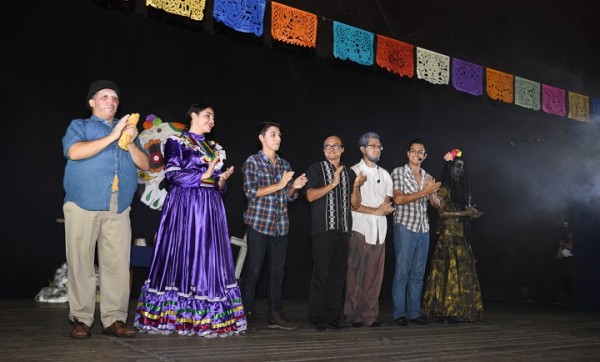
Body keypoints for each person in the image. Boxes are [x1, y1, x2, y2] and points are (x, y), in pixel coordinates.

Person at [134, 103, 247, 337]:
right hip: (185, 205)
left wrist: (222, 180)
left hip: (210, 206)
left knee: (208, 256)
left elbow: (217, 185)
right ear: (193, 116)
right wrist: (203, 175)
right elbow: (173, 174)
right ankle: (178, 315)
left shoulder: (213, 147)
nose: (212, 120)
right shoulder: (176, 141)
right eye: (208, 115)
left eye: (214, 117)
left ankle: (207, 315)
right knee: (183, 253)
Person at [62, 80, 150, 339]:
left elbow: (145, 164)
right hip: (82, 203)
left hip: (119, 205)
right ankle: (82, 319)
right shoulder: (80, 126)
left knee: (118, 264)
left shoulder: (129, 131)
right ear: (92, 102)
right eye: (105, 97)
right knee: (81, 262)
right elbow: (74, 152)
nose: (111, 101)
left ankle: (114, 320)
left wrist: (130, 141)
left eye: (115, 98)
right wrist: (113, 136)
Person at [241, 121, 308, 331]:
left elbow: (288, 197)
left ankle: (275, 314)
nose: (278, 138)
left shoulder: (284, 165)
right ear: (262, 138)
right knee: (253, 270)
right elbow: (251, 192)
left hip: (281, 226)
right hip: (259, 224)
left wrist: (293, 188)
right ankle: (246, 311)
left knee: (277, 272)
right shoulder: (252, 162)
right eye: (273, 134)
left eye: (279, 135)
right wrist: (280, 185)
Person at [305, 135, 364, 331]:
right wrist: (333, 183)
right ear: (323, 150)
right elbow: (310, 196)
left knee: (338, 275)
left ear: (342, 149)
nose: (331, 149)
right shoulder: (315, 168)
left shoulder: (350, 172)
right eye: (327, 146)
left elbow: (355, 204)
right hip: (323, 230)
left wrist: (355, 187)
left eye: (335, 146)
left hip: (343, 229)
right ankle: (317, 318)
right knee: (321, 274)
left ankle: (333, 317)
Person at [422, 148, 484, 323]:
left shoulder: (464, 190)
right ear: (450, 168)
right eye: (457, 166)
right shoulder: (444, 188)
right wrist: (465, 214)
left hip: (461, 236)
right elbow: (441, 214)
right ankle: (443, 311)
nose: (460, 170)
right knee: (446, 273)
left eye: (462, 167)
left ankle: (460, 311)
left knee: (462, 274)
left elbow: (464, 212)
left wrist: (472, 213)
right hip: (447, 236)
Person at [344, 132, 394, 328]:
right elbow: (351, 205)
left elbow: (387, 204)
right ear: (363, 149)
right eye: (373, 146)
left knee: (375, 277)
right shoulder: (353, 171)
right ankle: (352, 314)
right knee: (355, 274)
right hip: (359, 229)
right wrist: (376, 210)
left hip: (380, 231)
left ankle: (370, 316)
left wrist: (380, 210)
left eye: (379, 146)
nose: (377, 149)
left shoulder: (385, 174)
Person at [390, 138, 440, 326]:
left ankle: (414, 313)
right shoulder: (399, 172)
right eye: (413, 151)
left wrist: (432, 192)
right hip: (405, 226)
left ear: (425, 156)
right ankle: (399, 313)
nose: (417, 154)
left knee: (418, 273)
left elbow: (436, 205)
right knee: (402, 271)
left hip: (423, 228)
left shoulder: (427, 176)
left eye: (421, 152)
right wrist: (424, 192)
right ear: (408, 153)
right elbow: (398, 200)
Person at [555, 218, 574, 304]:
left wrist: (564, 244)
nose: (569, 236)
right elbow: (558, 256)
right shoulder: (568, 247)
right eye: (569, 235)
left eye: (570, 235)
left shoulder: (579, 242)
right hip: (576, 271)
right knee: (567, 282)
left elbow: (573, 247)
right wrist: (561, 245)